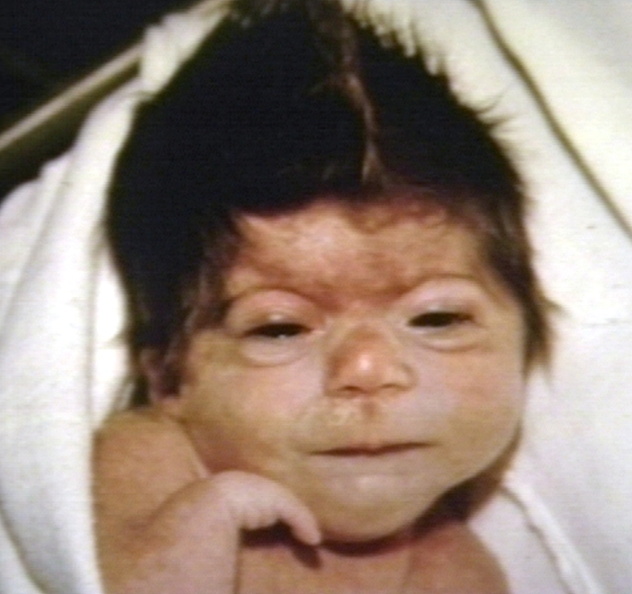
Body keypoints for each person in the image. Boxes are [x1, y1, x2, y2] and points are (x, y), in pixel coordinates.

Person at [94, 0, 549, 592]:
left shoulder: (459, 569)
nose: (367, 370)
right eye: (280, 328)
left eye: (438, 318)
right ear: (168, 380)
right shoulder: (154, 465)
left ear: (528, 340)